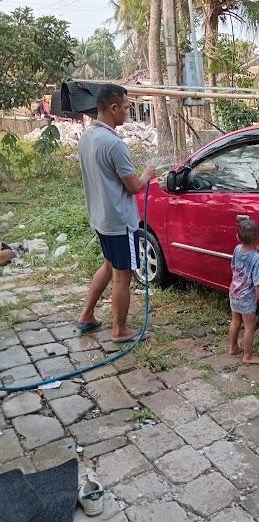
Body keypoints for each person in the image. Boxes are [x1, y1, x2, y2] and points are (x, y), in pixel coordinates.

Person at [77, 84, 156, 342]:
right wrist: (147, 175)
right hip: (120, 222)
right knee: (123, 275)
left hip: (101, 218)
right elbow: (133, 186)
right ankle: (120, 330)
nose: (126, 112)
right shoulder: (114, 144)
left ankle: (87, 316)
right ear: (112, 108)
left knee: (110, 265)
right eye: (125, 108)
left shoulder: (88, 137)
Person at [228, 219, 259, 364]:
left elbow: (233, 267)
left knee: (235, 322)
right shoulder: (257, 259)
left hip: (234, 293)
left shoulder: (236, 249)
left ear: (237, 238)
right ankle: (247, 356)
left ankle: (233, 347)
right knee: (249, 327)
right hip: (246, 299)